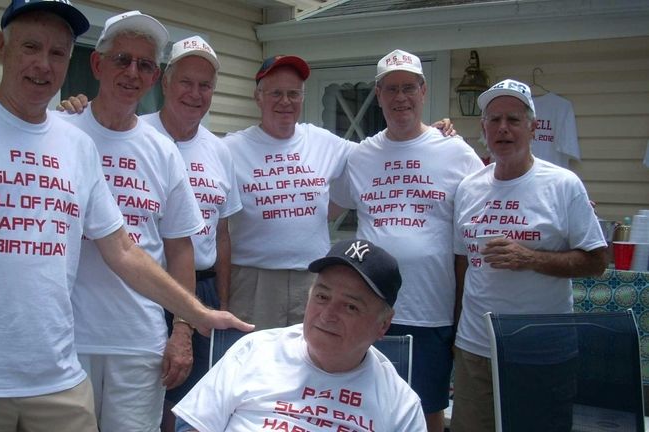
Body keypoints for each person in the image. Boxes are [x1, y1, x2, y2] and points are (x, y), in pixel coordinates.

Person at [0, 2, 251, 431]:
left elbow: (122, 250)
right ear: (2, 47)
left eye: (58, 53)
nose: (44, 64)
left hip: (59, 376)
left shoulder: (75, 146)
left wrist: (196, 316)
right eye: (31, 47)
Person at [224, 55, 456, 332]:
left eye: (293, 93)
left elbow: (386, 150)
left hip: (313, 280)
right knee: (254, 364)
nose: (285, 101)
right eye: (276, 93)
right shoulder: (229, 149)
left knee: (315, 361)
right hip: (254, 281)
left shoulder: (325, 143)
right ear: (258, 97)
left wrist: (433, 133)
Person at [54, 11, 206, 432]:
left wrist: (181, 332)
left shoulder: (162, 151)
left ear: (154, 78)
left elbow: (179, 247)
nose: (132, 72)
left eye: (144, 64)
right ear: (98, 65)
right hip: (65, 338)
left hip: (139, 340)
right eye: (122, 59)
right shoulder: (60, 130)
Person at [331, 49, 484, 432]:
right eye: (391, 89)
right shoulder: (362, 154)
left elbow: (491, 199)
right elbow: (322, 209)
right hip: (369, 306)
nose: (401, 97)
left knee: (427, 408)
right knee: (364, 405)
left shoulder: (455, 151)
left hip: (430, 309)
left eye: (409, 88)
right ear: (378, 95)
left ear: (423, 91)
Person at [449, 78, 608, 432]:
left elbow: (597, 262)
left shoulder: (563, 185)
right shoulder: (468, 188)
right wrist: (456, 334)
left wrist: (530, 258)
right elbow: (463, 265)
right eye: (494, 119)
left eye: (514, 119)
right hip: (476, 348)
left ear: (533, 127)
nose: (503, 128)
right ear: (483, 128)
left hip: (542, 349)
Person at [173, 238, 427, 432]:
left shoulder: (400, 405)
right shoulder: (254, 351)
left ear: (383, 325)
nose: (327, 315)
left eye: (351, 306)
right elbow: (194, 424)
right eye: (322, 297)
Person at [139, 36, 243, 431]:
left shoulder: (220, 151)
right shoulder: (137, 134)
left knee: (193, 403)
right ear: (165, 82)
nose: (195, 94)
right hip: (145, 287)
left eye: (205, 85)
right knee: (145, 397)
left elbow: (222, 236)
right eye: (186, 82)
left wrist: (221, 303)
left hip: (201, 289)